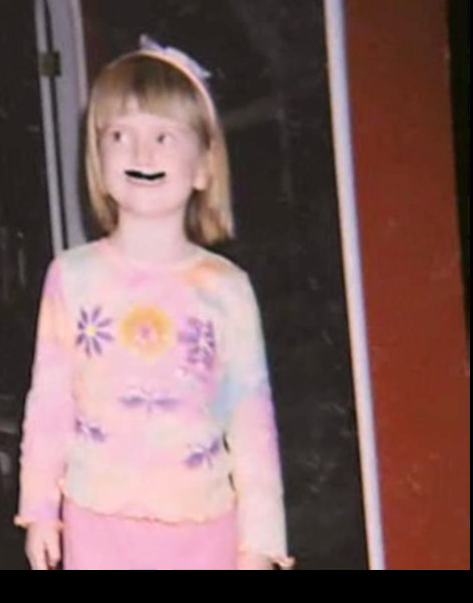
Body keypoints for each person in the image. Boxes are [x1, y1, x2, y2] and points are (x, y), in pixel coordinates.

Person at [15, 36, 294, 571]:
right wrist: (40, 510)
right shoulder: (72, 278)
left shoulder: (226, 288)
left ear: (204, 166)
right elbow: (49, 402)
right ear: (98, 159)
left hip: (203, 527)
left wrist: (260, 545)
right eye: (120, 135)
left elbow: (252, 422)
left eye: (164, 136)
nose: (142, 154)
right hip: (97, 523)